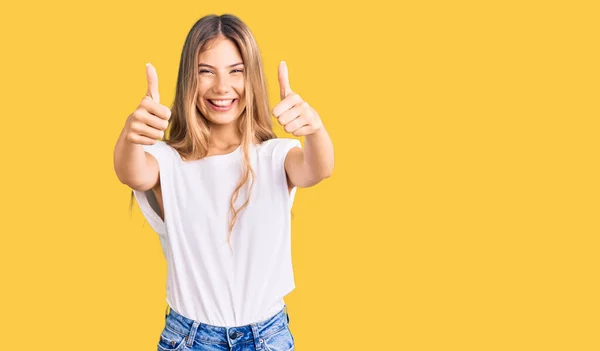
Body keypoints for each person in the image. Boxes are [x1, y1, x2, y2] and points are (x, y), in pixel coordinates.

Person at [113, 14, 334, 351]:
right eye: (206, 71)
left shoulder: (276, 155)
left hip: (268, 336)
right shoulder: (167, 160)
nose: (221, 87)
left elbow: (319, 169)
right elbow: (131, 172)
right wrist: (131, 135)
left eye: (236, 70)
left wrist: (315, 131)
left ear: (253, 77)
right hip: (190, 338)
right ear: (190, 78)